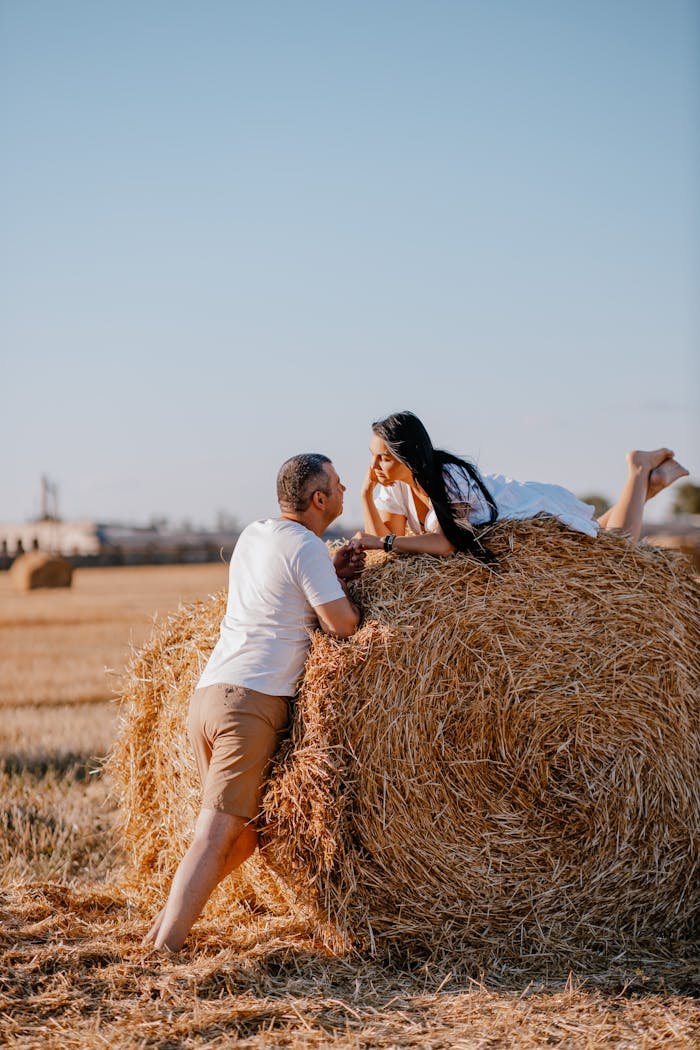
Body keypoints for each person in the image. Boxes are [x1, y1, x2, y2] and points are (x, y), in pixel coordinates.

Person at [143, 453, 365, 952]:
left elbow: (279, 592)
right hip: (251, 705)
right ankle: (161, 955)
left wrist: (329, 573)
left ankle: (164, 925)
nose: (346, 489)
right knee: (214, 836)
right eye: (338, 483)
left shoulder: (255, 534)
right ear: (319, 498)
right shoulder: (306, 547)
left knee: (245, 837)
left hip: (208, 695)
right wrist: (342, 589)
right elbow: (343, 625)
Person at [356, 411, 688, 559]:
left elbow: (445, 544)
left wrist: (384, 542)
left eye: (383, 458)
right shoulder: (393, 486)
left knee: (616, 545)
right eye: (372, 457)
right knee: (597, 529)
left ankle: (637, 469)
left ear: (409, 455)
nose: (374, 468)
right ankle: (649, 485)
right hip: (508, 508)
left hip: (523, 507)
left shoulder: (449, 480)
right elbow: (384, 544)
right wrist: (365, 497)